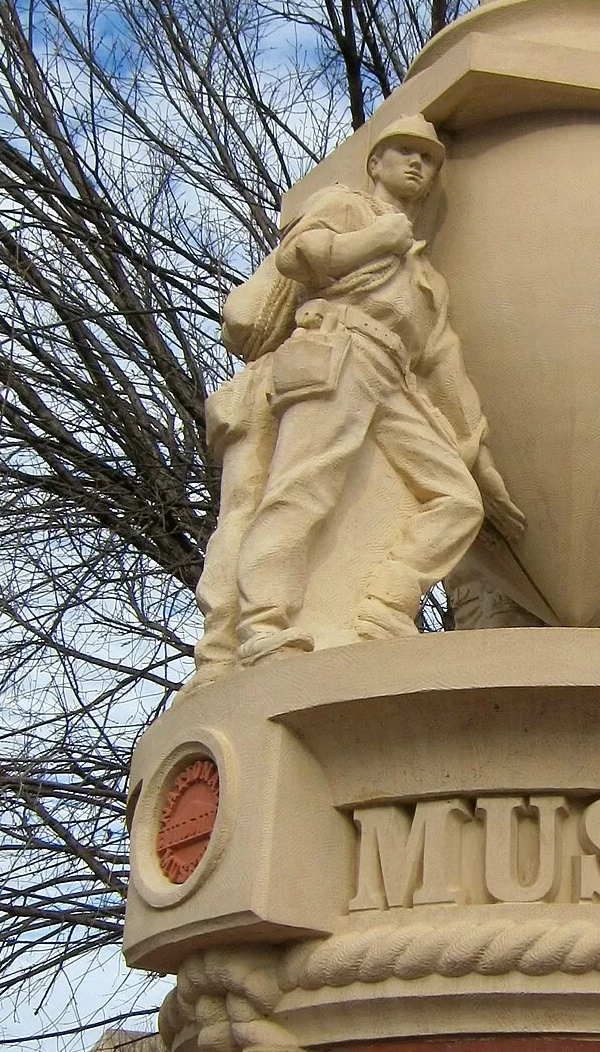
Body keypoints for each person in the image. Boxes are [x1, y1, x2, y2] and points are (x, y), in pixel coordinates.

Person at [222, 112, 524, 662]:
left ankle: (383, 607)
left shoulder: (424, 274)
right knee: (303, 487)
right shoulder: (347, 205)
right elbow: (301, 257)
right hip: (337, 353)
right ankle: (263, 624)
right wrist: (376, 238)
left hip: (391, 379)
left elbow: (441, 362)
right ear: (375, 163)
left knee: (457, 499)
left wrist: (480, 457)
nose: (417, 164)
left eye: (428, 158)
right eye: (405, 152)